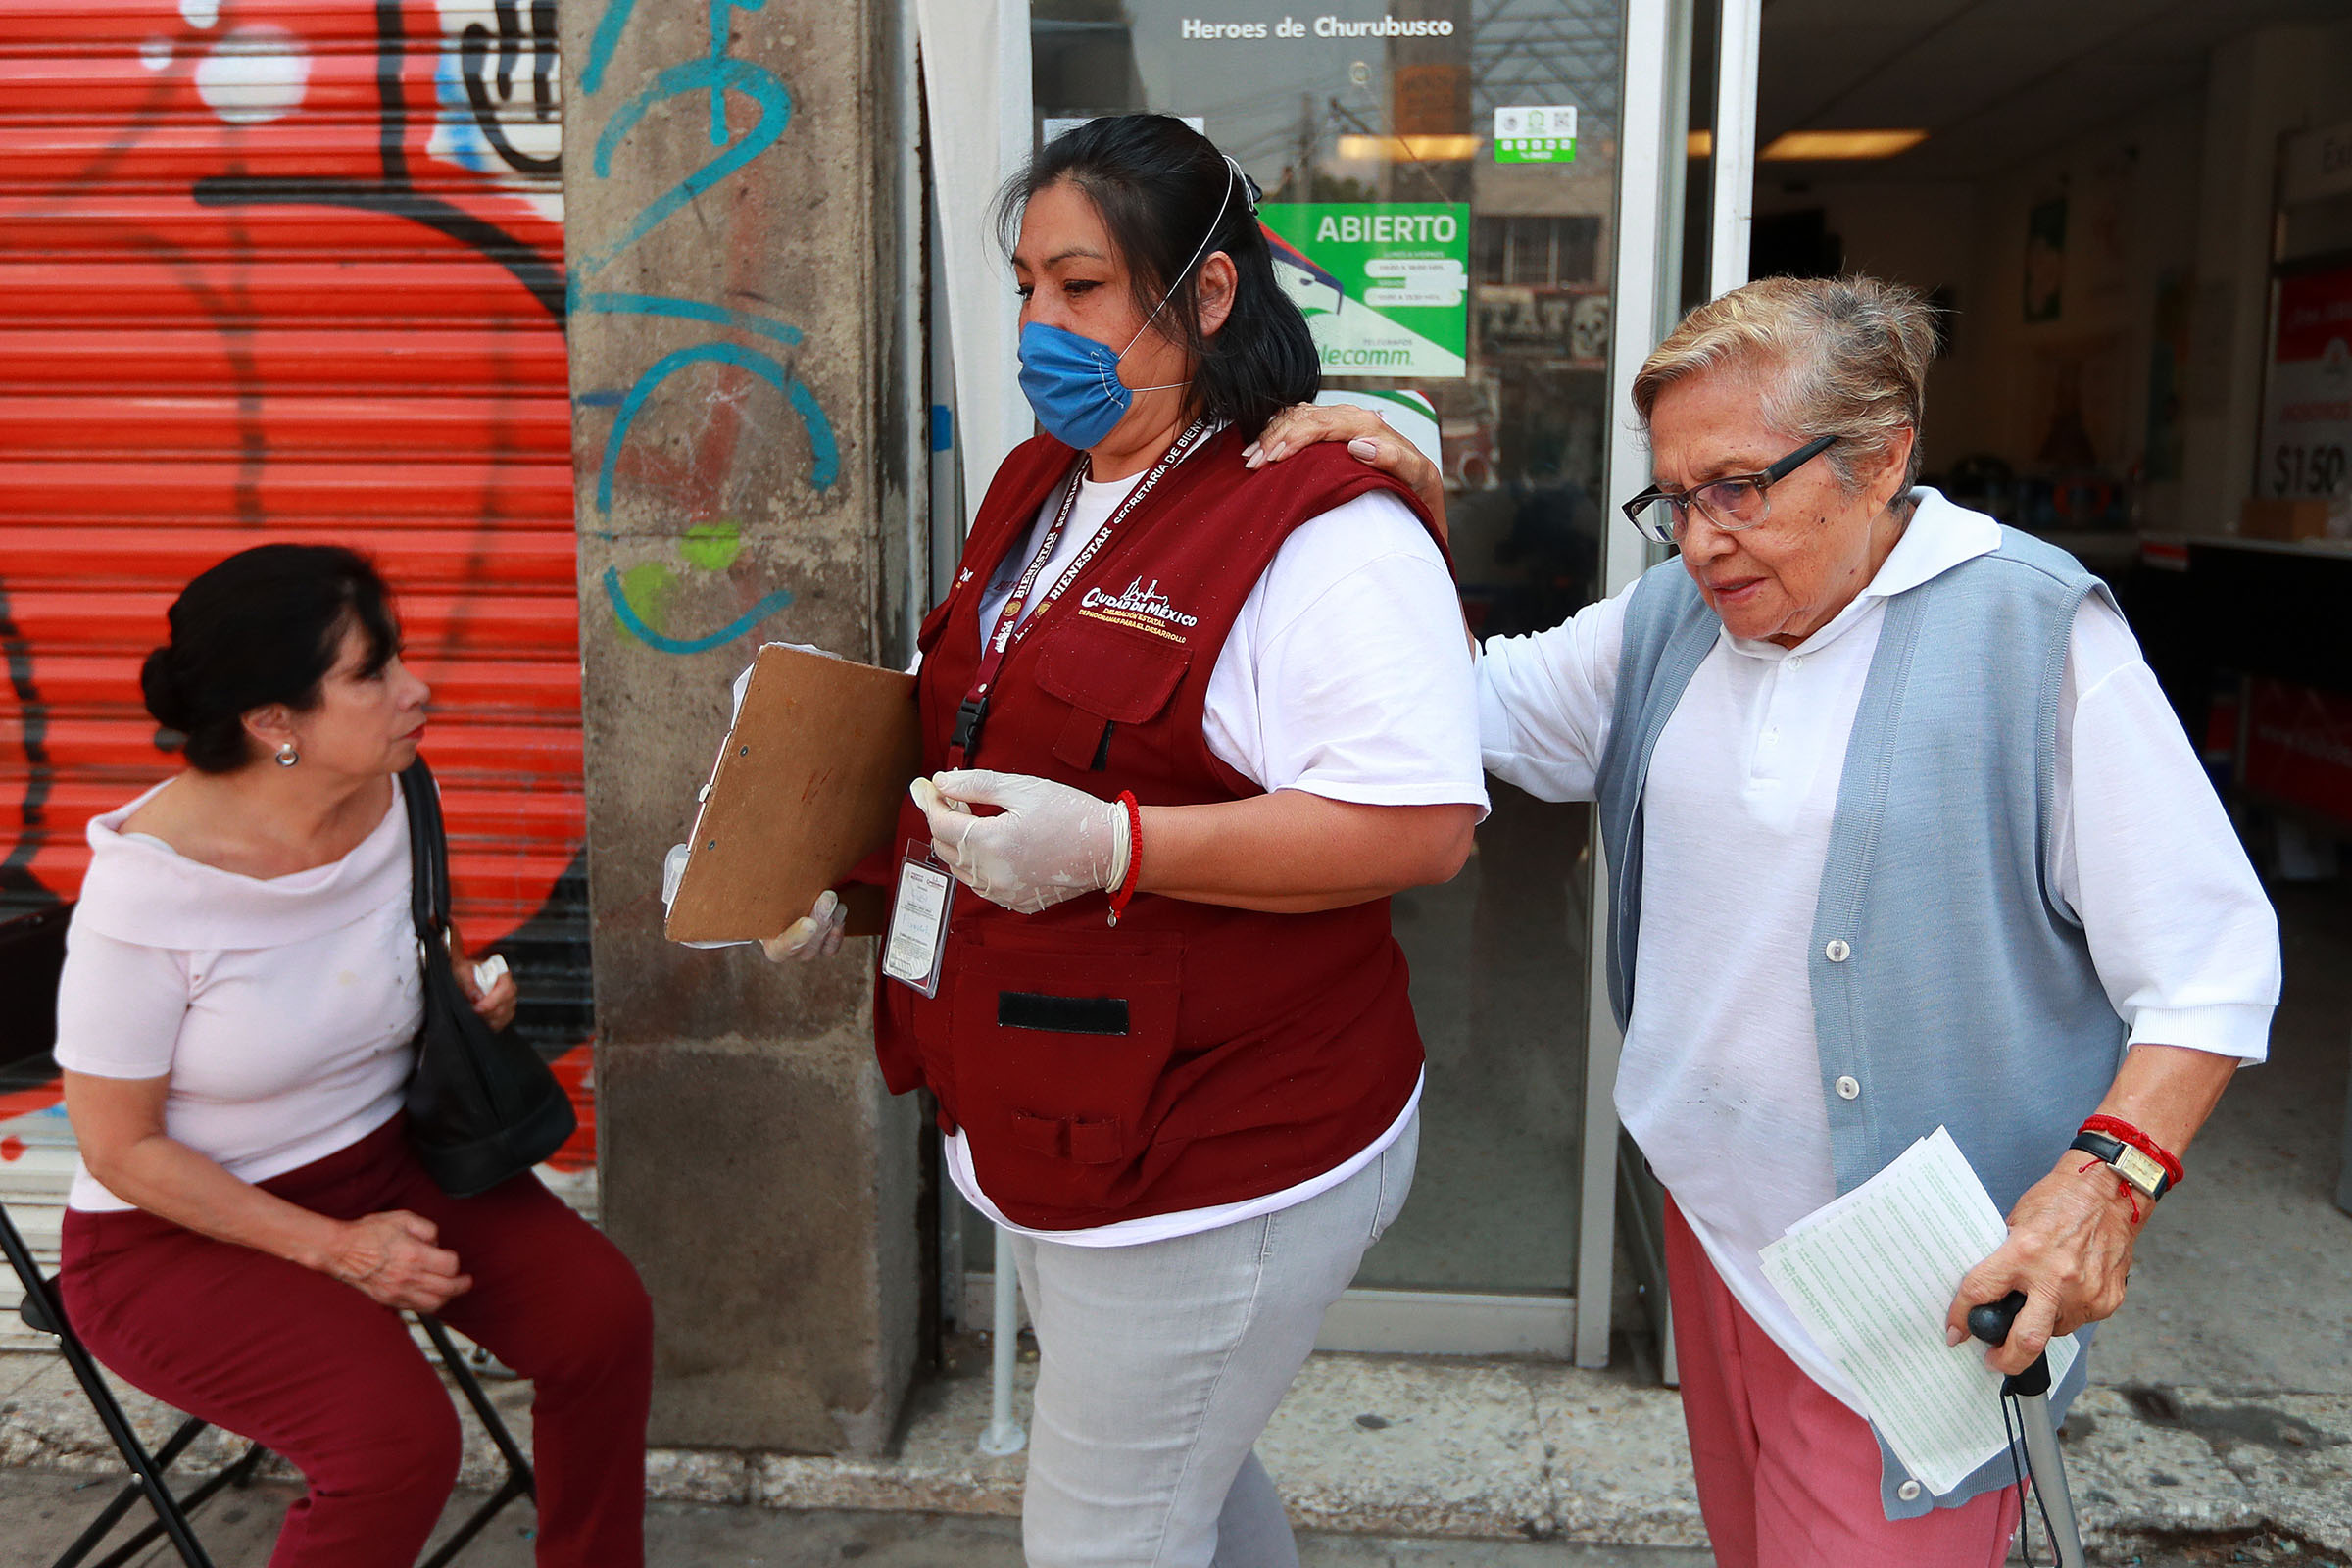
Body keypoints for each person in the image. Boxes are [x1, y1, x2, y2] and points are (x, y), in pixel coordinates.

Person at [1265, 275, 2281, 1567]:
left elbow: (2211, 961)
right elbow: (1450, 708)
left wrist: (2103, 1189)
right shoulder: (1668, 621)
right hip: (1716, 1222)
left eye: (1738, 487)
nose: (1698, 540)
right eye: (1675, 499)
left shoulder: (2030, 630)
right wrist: (1393, 527)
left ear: (1882, 457)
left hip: (1919, 1281)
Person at [750, 115, 1486, 1567]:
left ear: (1209, 296)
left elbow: (1419, 831)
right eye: (1026, 284)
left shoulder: (1325, 529)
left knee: (1107, 1534)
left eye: (1080, 289)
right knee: (1190, 1484)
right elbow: (978, 728)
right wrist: (824, 863)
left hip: (1215, 1151)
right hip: (1051, 1108)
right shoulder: (1039, 484)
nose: (1038, 326)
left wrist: (1116, 848)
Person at [56, 544, 653, 1568]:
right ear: (273, 721)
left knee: (601, 1319)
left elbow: (398, 948)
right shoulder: (146, 897)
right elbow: (120, 1151)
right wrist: (337, 1250)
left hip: (389, 1161)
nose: (417, 689)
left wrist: (458, 995)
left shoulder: (391, 793)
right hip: (175, 1234)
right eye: (371, 672)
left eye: (402, 657)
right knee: (395, 1445)